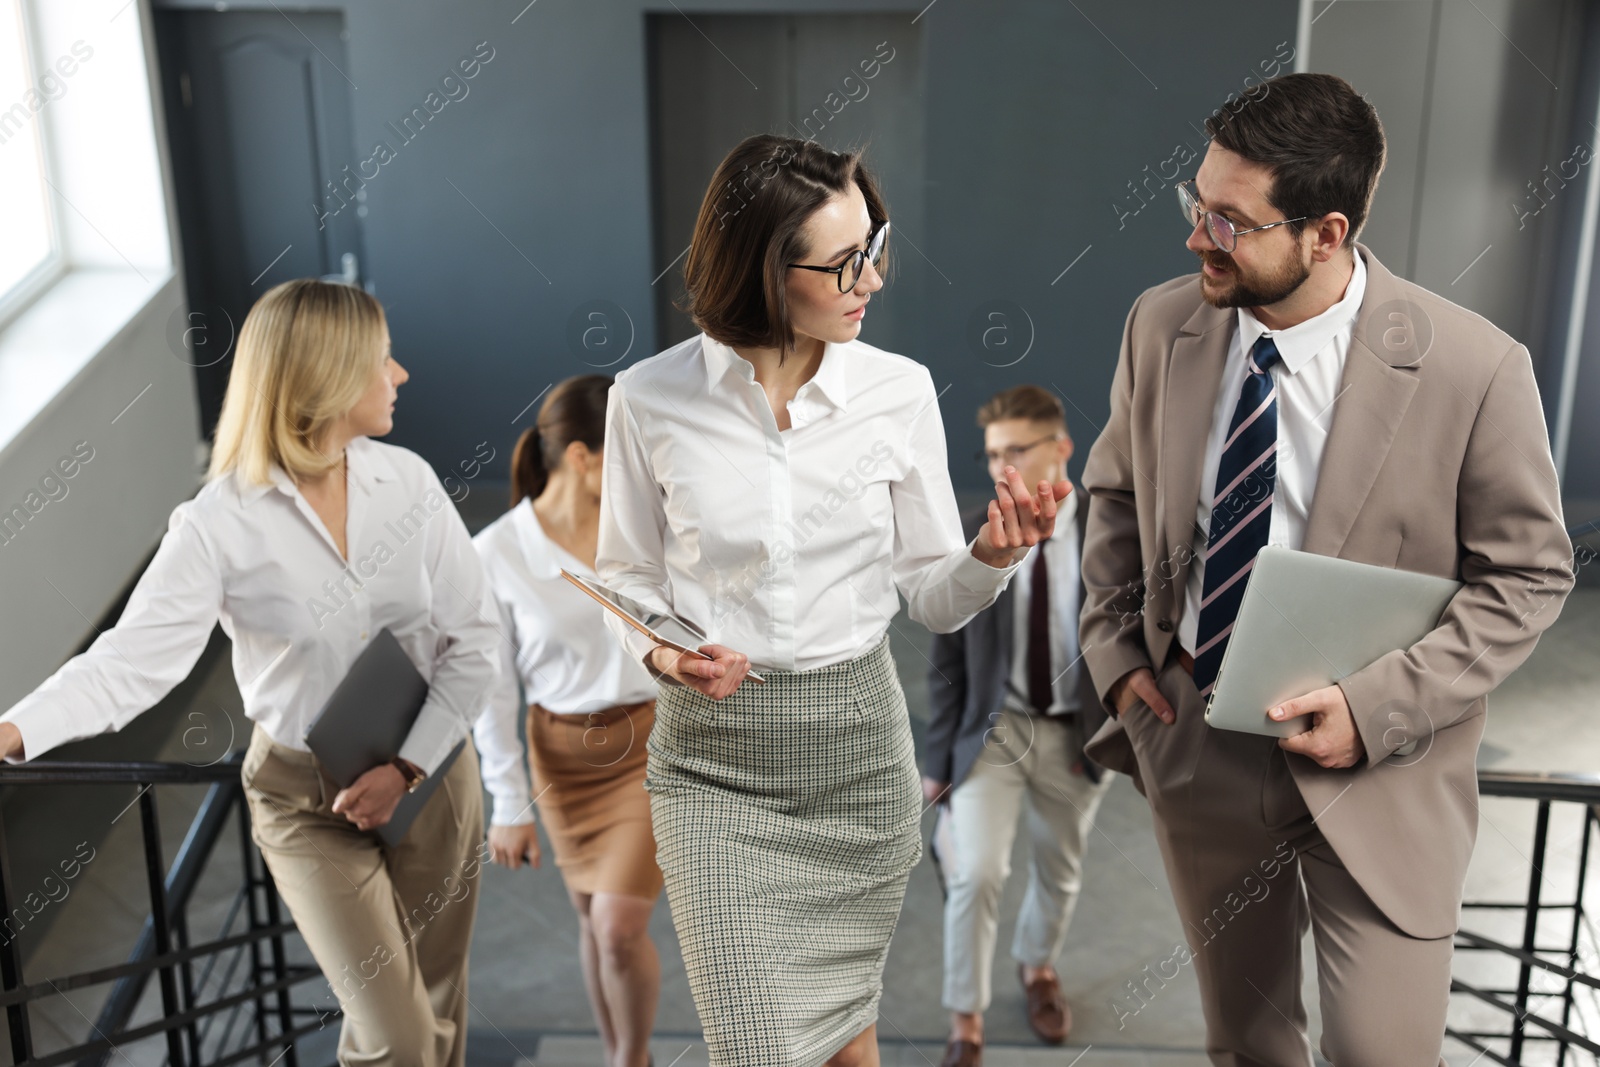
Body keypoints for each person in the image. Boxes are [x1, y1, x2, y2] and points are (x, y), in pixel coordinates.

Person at [1077, 73, 1574, 1065]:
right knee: (1246, 1043)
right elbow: (1117, 493)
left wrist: (1376, 706)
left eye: (1227, 223)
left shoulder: (1476, 367)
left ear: (1325, 231)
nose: (1194, 240)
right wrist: (1115, 650)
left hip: (1384, 764)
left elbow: (1526, 577)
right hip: (1197, 741)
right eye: (1195, 207)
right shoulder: (1159, 326)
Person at [595, 134, 1066, 1067]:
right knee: (759, 1045)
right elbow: (625, 582)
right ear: (766, 270)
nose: (873, 280)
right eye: (847, 261)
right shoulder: (646, 399)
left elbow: (933, 596)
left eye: (876, 247)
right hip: (711, 766)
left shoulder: (899, 394)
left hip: (857, 761)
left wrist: (989, 556)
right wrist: (663, 653)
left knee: (846, 1031)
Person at [0, 279, 500, 1067]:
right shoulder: (218, 524)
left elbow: (476, 638)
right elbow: (129, 662)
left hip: (431, 770)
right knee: (398, 1038)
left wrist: (407, 768)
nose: (399, 375)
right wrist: (11, 728)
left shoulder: (406, 481)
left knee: (438, 1003)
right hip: (306, 798)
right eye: (381, 360)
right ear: (327, 377)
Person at [472, 375, 664, 1067]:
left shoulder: (641, 526)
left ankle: (631, 1057)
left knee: (617, 924)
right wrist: (508, 799)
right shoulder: (495, 554)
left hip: (650, 742)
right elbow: (491, 690)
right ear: (581, 457)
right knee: (591, 917)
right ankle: (617, 1052)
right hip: (560, 754)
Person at [923, 386, 1110, 1066]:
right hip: (994, 732)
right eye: (994, 453)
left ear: (1061, 448)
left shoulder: (1113, 533)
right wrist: (937, 760)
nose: (1003, 467)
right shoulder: (975, 531)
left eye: (1017, 451)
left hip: (1074, 736)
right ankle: (964, 1020)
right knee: (975, 871)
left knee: (1059, 871)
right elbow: (947, 659)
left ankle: (1037, 969)